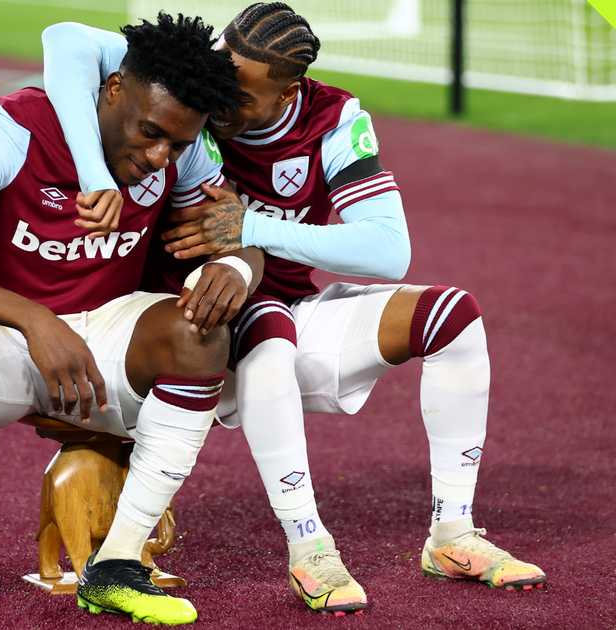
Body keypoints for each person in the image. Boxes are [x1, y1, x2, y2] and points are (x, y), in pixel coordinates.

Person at [41, 1, 547, 615]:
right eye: (221, 81)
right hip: (184, 334)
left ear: (289, 93)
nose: (219, 105)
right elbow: (64, 38)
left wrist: (250, 229)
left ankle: (454, 532)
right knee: (266, 325)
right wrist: (96, 175)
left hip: (286, 313)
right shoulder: (196, 87)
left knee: (453, 316)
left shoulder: (333, 120)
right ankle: (309, 547)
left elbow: (389, 249)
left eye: (242, 97)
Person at [0, 13, 258, 629]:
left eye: (177, 145)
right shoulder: (10, 126)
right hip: (0, 340)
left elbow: (239, 237)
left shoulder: (179, 153)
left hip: (102, 339)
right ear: (112, 89)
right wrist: (34, 320)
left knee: (198, 331)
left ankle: (118, 566)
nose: (160, 156)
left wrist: (236, 270)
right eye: (151, 133)